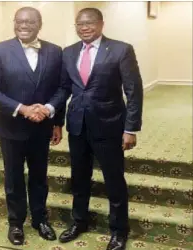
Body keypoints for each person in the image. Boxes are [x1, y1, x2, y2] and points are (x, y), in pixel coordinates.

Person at [46, 8, 143, 250]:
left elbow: (134, 91)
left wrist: (130, 128)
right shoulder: (68, 53)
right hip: (77, 126)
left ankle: (119, 231)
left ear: (101, 23)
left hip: (109, 125)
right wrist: (57, 122)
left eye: (89, 22)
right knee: (79, 178)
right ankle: (79, 222)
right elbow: (63, 89)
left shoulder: (121, 50)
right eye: (80, 23)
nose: (84, 27)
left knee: (113, 180)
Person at [0, 7, 65, 246]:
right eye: (20, 21)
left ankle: (40, 220)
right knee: (14, 178)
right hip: (10, 127)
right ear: (14, 23)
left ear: (40, 24)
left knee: (39, 176)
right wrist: (22, 109)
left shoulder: (55, 52)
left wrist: (54, 117)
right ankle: (16, 223)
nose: (24, 25)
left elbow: (62, 88)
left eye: (30, 21)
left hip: (42, 127)